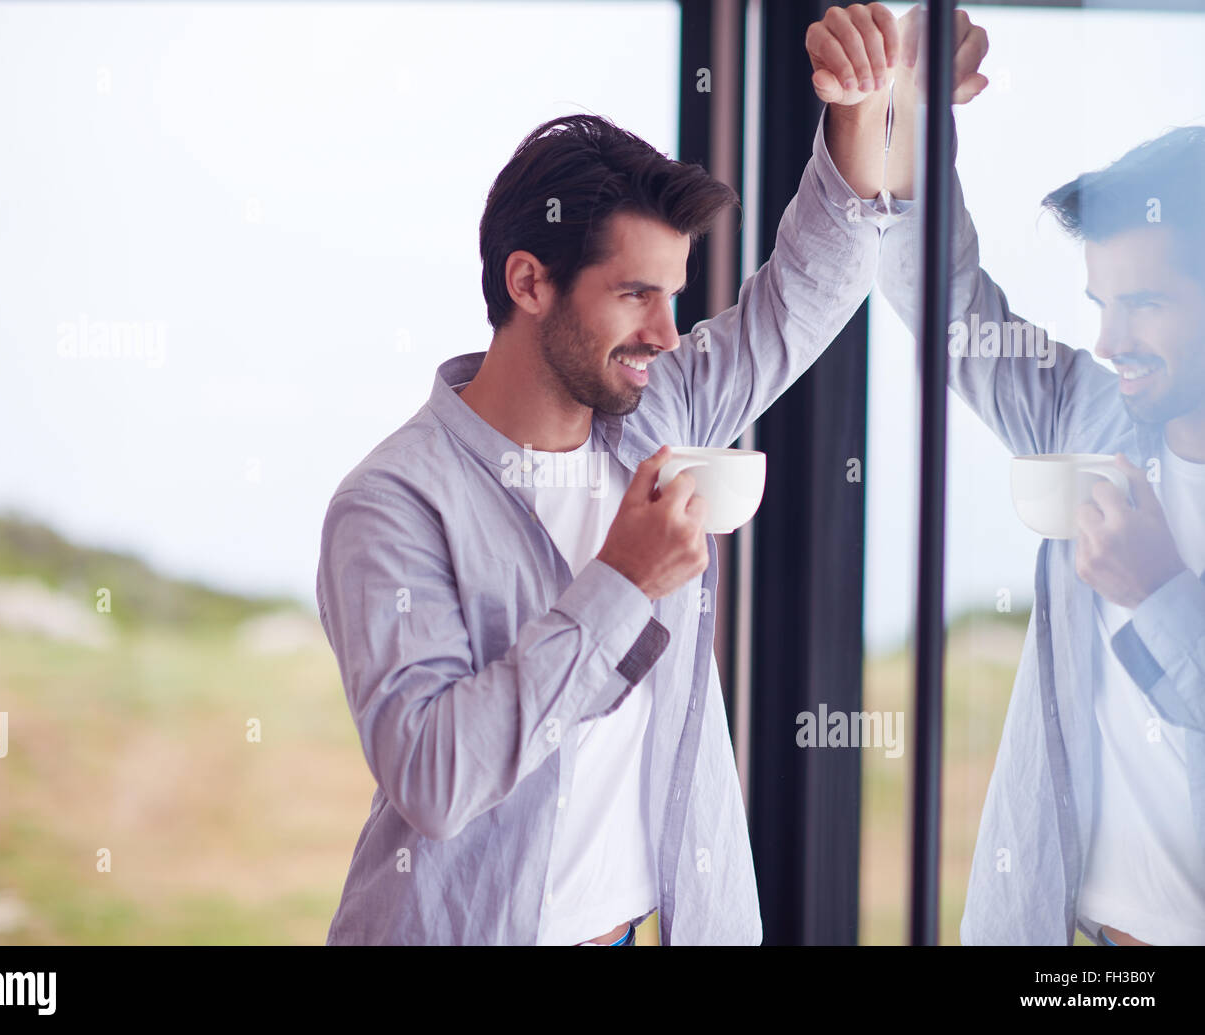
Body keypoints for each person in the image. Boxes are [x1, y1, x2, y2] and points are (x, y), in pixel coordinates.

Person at [314, 3, 988, 944]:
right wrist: (621, 583)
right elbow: (431, 775)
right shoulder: (392, 504)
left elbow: (806, 292)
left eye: (672, 295)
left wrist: (868, 110)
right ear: (528, 283)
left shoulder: (653, 419)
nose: (668, 334)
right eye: (636, 295)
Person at [868, 29, 1205, 945]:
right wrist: (912, 116)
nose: (1109, 340)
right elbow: (943, 298)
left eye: (1146, 304)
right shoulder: (1087, 412)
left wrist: (1163, 595)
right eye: (1102, 303)